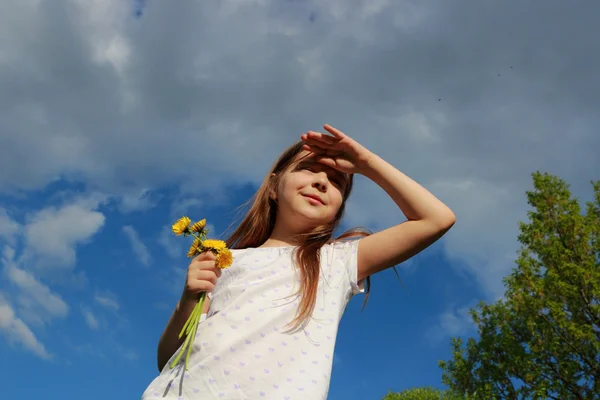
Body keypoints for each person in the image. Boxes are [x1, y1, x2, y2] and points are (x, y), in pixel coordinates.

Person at [141, 124, 456, 399]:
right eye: (308, 168)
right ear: (275, 186)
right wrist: (188, 299)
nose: (322, 182)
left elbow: (435, 219)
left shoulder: (336, 262)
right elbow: (168, 358)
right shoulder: (226, 260)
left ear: (337, 210)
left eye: (337, 181)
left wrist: (366, 163)